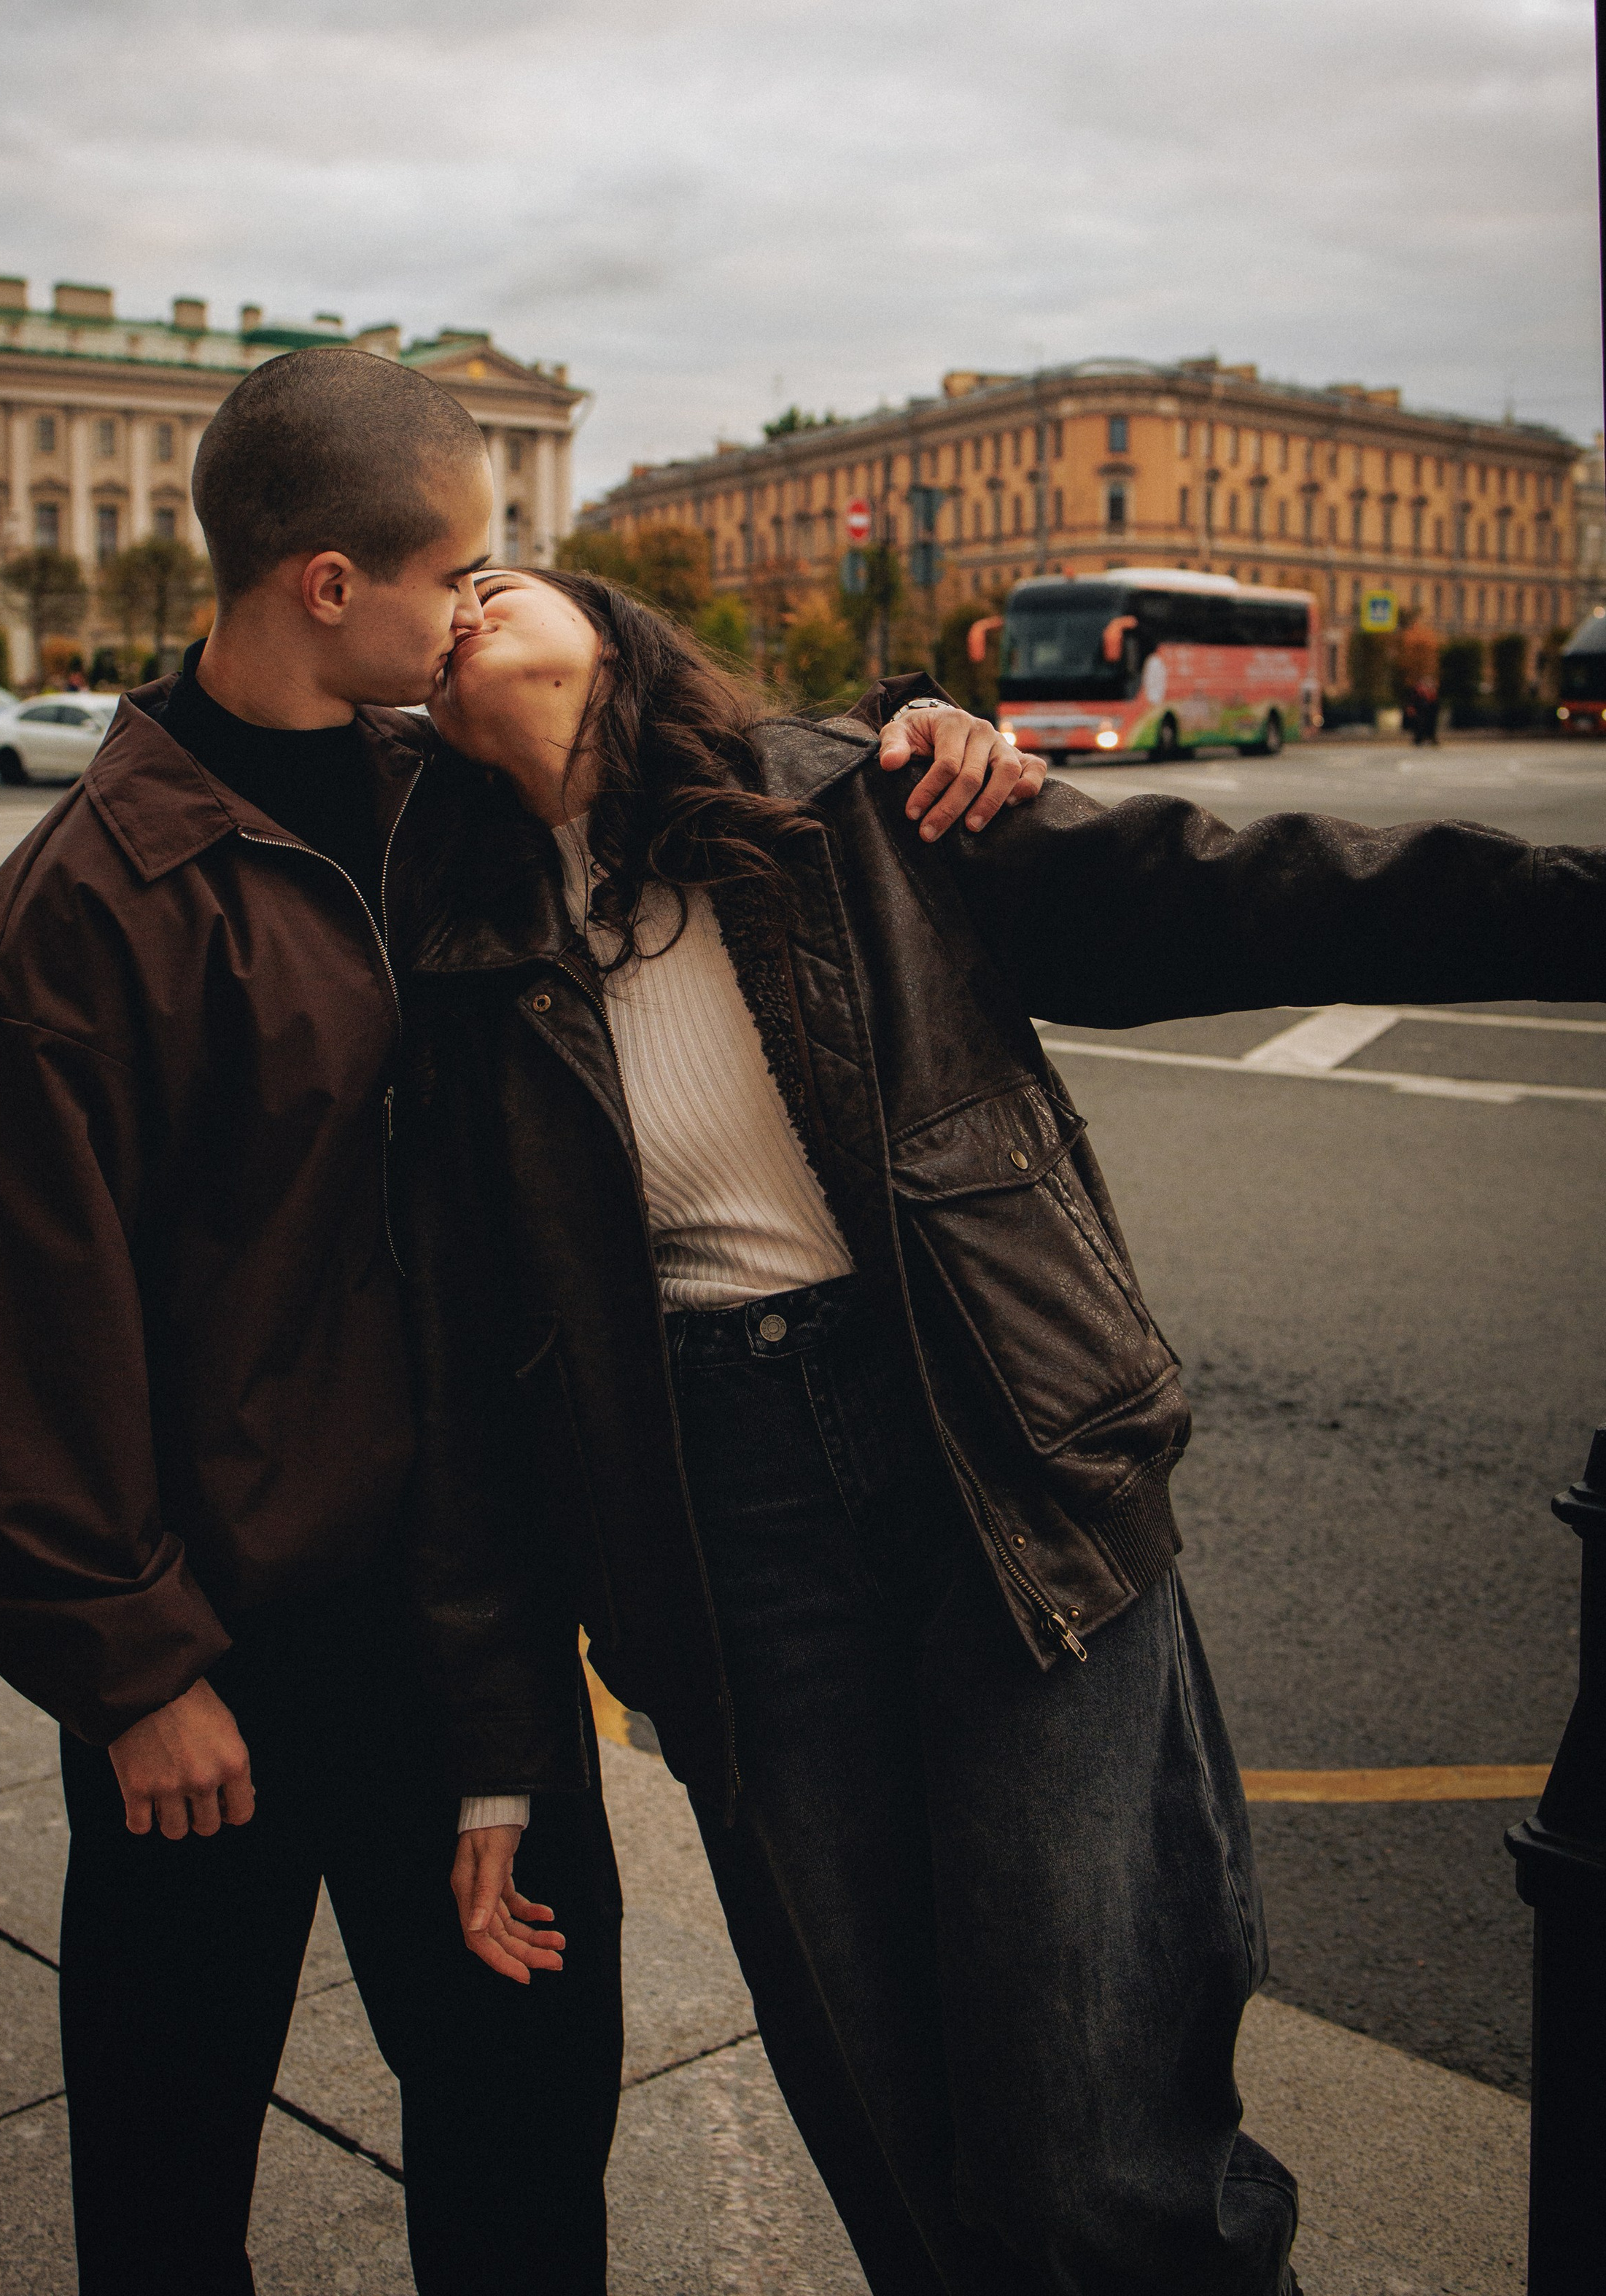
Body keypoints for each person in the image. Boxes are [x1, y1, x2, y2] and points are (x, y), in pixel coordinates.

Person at [0, 344, 1039, 2296]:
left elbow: (689, 776)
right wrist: (129, 1665)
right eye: (461, 573)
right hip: (220, 1666)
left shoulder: (459, 802)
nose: (485, 608)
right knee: (169, 2177)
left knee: (526, 2144)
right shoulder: (87, 905)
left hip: (467, 1636)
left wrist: (925, 737)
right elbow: (9, 1331)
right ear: (329, 587)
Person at [393, 566, 1605, 2296]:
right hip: (722, 1534)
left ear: (614, 632)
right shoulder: (453, 944)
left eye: (493, 576)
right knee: (892, 2128)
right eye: (425, 602)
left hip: (995, 1453)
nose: (456, 606)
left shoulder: (868, 799)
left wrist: (1580, 911)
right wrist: (498, 1750)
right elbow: (473, 1380)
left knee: (1087, 2135)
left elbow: (1246, 898)